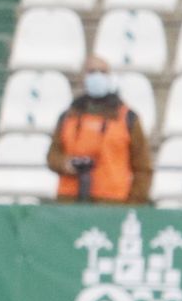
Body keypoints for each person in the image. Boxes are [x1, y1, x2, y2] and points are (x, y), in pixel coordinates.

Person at [47, 55, 152, 204]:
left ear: (110, 77)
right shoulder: (69, 116)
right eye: (92, 72)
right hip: (69, 202)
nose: (97, 76)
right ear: (83, 77)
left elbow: (143, 166)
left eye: (102, 72)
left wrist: (134, 203)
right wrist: (67, 164)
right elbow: (53, 155)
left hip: (112, 203)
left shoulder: (127, 118)